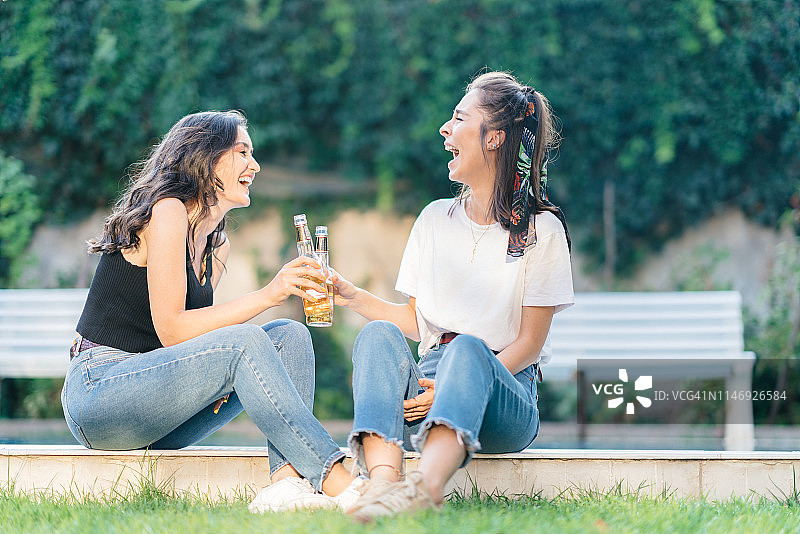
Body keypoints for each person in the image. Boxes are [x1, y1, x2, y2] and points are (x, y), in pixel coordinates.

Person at [61, 110, 366, 513]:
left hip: (157, 411)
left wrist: (218, 373)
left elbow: (193, 337)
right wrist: (268, 294)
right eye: (241, 152)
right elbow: (172, 329)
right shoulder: (167, 210)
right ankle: (337, 479)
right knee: (246, 340)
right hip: (99, 392)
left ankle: (287, 487)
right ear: (205, 157)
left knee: (290, 336)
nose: (254, 165)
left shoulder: (216, 245)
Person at [330, 71, 575, 520]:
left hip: (505, 390)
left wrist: (450, 386)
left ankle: (424, 487)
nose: (445, 128)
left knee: (466, 348)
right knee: (378, 334)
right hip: (425, 384)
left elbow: (529, 343)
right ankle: (383, 485)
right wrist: (350, 296)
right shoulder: (434, 219)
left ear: (495, 138)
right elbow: (417, 322)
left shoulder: (543, 230)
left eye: (459, 117)